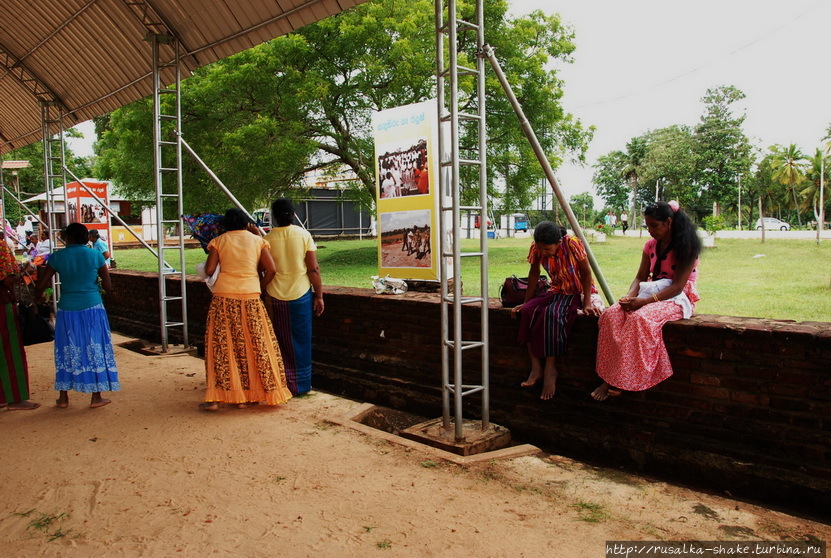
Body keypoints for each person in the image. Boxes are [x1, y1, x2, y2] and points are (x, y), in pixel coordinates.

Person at [591, 200, 701, 401]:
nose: (650, 230)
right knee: (611, 315)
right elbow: (640, 276)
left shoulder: (687, 246)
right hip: (650, 291)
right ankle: (611, 375)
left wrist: (643, 302)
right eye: (647, 225)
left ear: (668, 222)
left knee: (638, 320)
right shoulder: (650, 245)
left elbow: (677, 286)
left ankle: (624, 380)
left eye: (654, 225)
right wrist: (629, 297)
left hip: (676, 297)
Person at [201, 208, 292, 410]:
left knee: (223, 347)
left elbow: (208, 270)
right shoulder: (258, 241)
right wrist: (259, 286)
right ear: (246, 223)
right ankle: (253, 394)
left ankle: (221, 397)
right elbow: (272, 269)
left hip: (224, 297)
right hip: (251, 296)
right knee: (256, 345)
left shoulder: (218, 241)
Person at [512, 222, 602, 400]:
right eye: (540, 248)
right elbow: (534, 273)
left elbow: (586, 272)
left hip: (576, 291)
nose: (543, 252)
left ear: (558, 242)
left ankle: (550, 368)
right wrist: (527, 302)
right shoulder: (535, 248)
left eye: (547, 249)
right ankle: (536, 366)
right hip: (556, 291)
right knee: (527, 312)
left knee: (552, 315)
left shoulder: (572, 244)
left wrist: (587, 303)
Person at [35, 222, 119, 408]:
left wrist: (37, 300)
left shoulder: (57, 257)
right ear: (86, 238)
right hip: (92, 306)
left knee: (66, 349)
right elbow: (108, 286)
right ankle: (96, 396)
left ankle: (63, 397)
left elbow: (41, 285)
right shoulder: (96, 255)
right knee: (94, 347)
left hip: (67, 308)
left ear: (68, 237)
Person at [261, 199, 324, 396]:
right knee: (302, 340)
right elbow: (313, 268)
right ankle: (302, 385)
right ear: (293, 213)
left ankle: (281, 383)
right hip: (301, 295)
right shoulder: (304, 235)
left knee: (277, 340)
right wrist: (319, 295)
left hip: (274, 295)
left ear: (275, 216)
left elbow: (263, 269)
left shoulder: (268, 239)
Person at [0, 237, 39, 410]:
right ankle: (15, 398)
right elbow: (7, 280)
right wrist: (23, 272)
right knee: (10, 351)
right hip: (2, 304)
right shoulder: (1, 247)